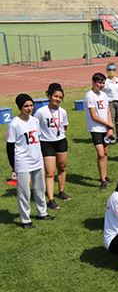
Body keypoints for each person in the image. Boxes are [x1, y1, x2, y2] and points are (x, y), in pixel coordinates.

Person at [6, 94, 55, 228]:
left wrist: (41, 156)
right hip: (23, 163)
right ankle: (25, 219)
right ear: (20, 107)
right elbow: (10, 146)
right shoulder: (14, 124)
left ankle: (42, 213)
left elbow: (38, 140)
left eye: (31, 105)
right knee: (24, 193)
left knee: (40, 189)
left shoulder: (34, 120)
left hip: (37, 160)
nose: (29, 108)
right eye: (26, 106)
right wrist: (13, 165)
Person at [35, 83, 70, 209]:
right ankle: (51, 199)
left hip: (61, 141)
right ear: (49, 96)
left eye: (60, 97)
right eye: (55, 96)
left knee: (62, 167)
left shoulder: (63, 112)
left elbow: (64, 126)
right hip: (46, 143)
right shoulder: (41, 112)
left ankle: (61, 191)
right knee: (50, 172)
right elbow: (35, 127)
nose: (58, 99)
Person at [85, 73, 114, 191]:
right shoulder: (89, 96)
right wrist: (107, 124)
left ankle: (105, 176)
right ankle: (102, 181)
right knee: (101, 153)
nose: (101, 85)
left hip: (105, 128)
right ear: (93, 82)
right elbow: (93, 115)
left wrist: (110, 127)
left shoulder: (104, 95)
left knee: (105, 152)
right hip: (96, 128)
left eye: (103, 83)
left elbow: (107, 111)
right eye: (99, 83)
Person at [103, 62, 118, 143]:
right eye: (110, 70)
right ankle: (111, 137)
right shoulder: (105, 81)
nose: (111, 71)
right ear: (107, 70)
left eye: (113, 70)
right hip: (110, 102)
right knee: (111, 121)